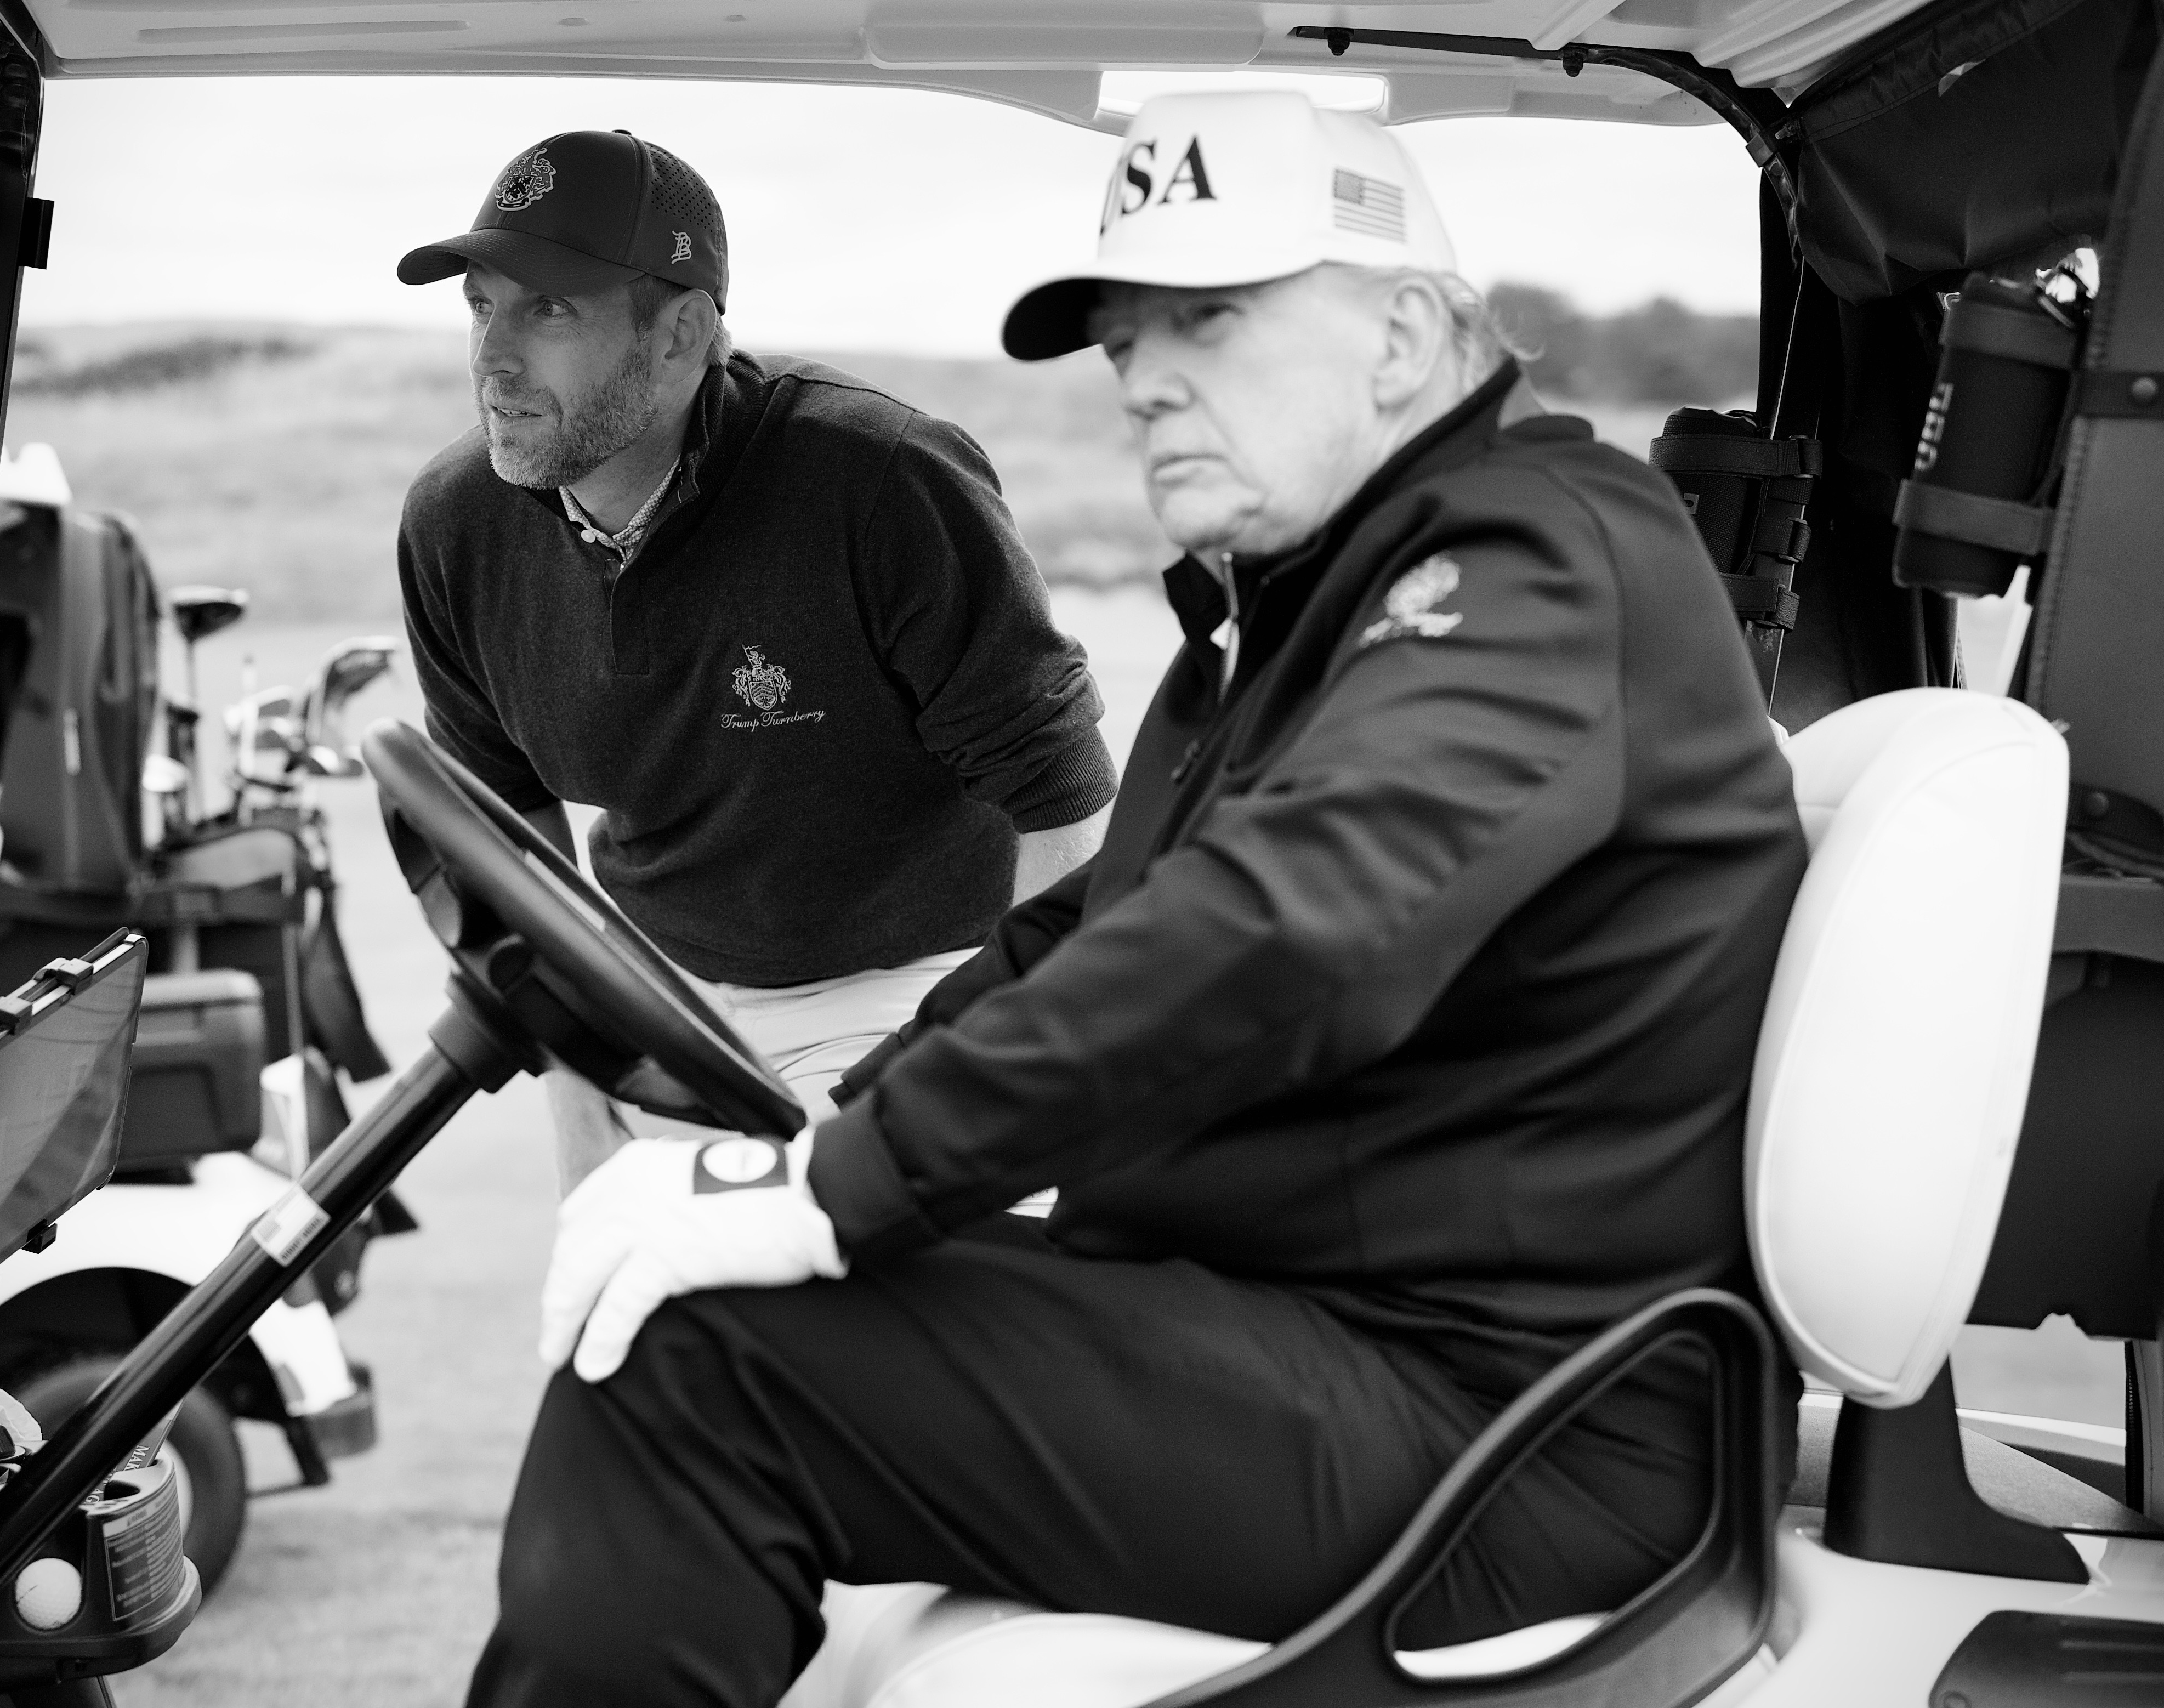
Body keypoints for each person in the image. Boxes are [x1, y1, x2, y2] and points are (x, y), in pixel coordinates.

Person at [468, 93, 1809, 1708]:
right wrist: (819, 1142)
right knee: (702, 1302)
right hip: (1324, 1342)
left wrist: (843, 1184)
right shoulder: (1300, 608)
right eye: (1128, 341)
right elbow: (1093, 925)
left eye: (1212, 322)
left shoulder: (1533, 560)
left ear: (1401, 339)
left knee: (698, 1367)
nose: (1148, 380)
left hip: (1507, 1437)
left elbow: (1285, 927)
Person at [394, 130, 1116, 1181]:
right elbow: (508, 839)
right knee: (624, 1286)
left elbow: (1066, 803)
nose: (492, 358)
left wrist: (997, 1083)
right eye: (480, 307)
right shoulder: (453, 523)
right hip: (657, 1003)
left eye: (548, 310)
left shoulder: (882, 480)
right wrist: (580, 1108)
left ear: (682, 335)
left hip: (924, 990)